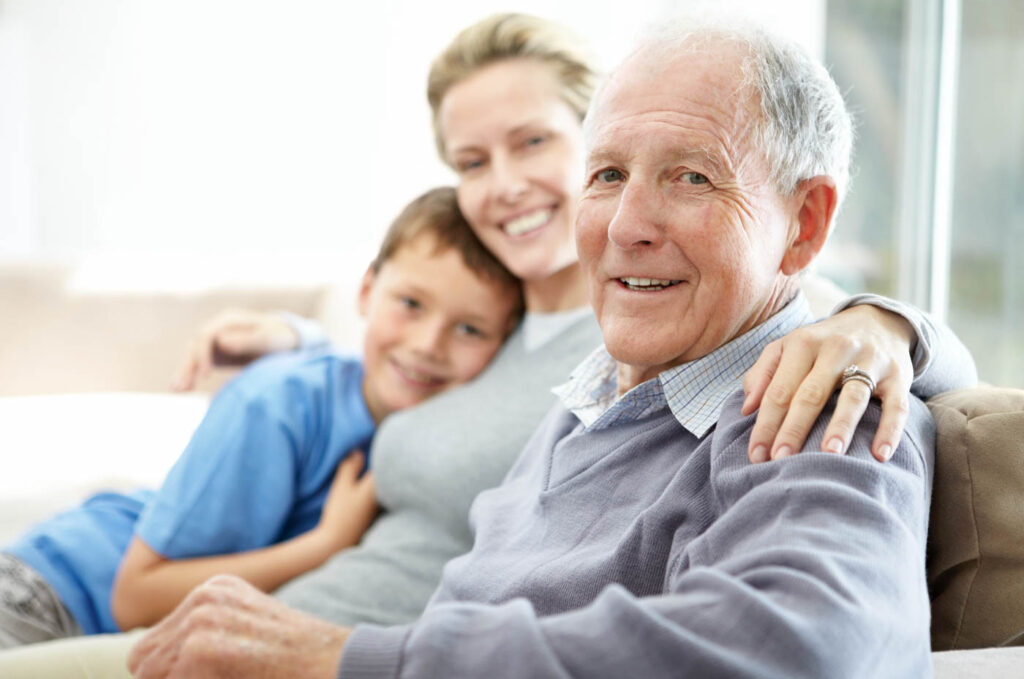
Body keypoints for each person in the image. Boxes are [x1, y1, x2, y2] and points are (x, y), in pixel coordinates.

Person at [0, 12, 975, 678]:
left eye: (687, 176)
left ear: (802, 226)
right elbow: (395, 350)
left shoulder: (808, 388)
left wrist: (891, 326)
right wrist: (299, 341)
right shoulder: (583, 355)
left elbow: (811, 645)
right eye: (608, 173)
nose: (627, 223)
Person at [0, 186, 523, 647]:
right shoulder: (276, 403)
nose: (427, 344)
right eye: (410, 303)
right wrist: (324, 546)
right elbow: (135, 597)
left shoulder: (442, 435)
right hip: (48, 594)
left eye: (470, 330)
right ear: (367, 292)